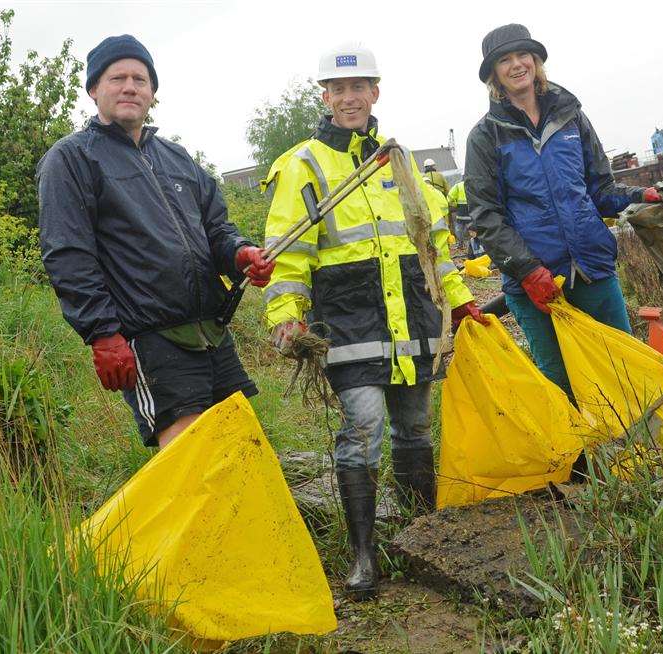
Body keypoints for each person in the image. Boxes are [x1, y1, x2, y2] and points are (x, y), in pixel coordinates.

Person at [261, 43, 486, 600]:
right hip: (348, 321)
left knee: (414, 428)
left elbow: (434, 246)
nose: (349, 97)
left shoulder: (400, 160)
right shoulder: (304, 164)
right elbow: (288, 255)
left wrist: (460, 303)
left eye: (359, 87)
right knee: (364, 430)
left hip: (410, 318)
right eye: (338, 90)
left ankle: (421, 537)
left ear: (374, 92)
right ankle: (364, 554)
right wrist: (286, 315)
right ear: (325, 97)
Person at [37, 34, 273, 449]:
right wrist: (103, 334)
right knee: (191, 460)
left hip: (213, 335)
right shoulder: (71, 159)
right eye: (117, 78)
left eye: (140, 79)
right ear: (94, 90)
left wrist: (240, 254)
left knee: (243, 449)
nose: (130, 87)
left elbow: (216, 230)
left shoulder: (178, 158)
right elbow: (68, 255)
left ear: (152, 93)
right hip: (150, 341)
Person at [465, 24, 662, 397]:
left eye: (523, 55)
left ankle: (636, 452)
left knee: (627, 369)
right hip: (534, 285)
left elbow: (600, 190)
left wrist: (640, 195)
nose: (517, 65)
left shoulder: (572, 117)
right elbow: (486, 216)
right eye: (504, 60)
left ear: (536, 61)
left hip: (592, 268)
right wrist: (527, 270)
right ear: (494, 74)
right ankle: (581, 458)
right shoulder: (485, 136)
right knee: (561, 383)